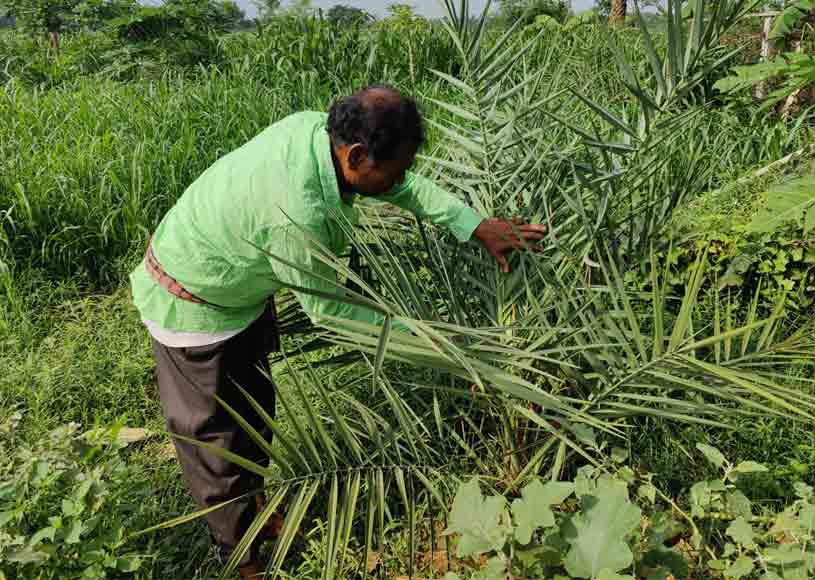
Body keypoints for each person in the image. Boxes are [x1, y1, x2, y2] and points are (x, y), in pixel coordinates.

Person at [129, 85, 546, 577]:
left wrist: (473, 224)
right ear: (356, 154)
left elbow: (400, 187)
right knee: (218, 444)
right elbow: (334, 313)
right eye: (398, 166)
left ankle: (260, 516)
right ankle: (243, 558)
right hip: (192, 301)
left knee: (255, 412)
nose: (403, 178)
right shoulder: (296, 214)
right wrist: (448, 349)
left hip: (238, 284)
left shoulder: (320, 132)